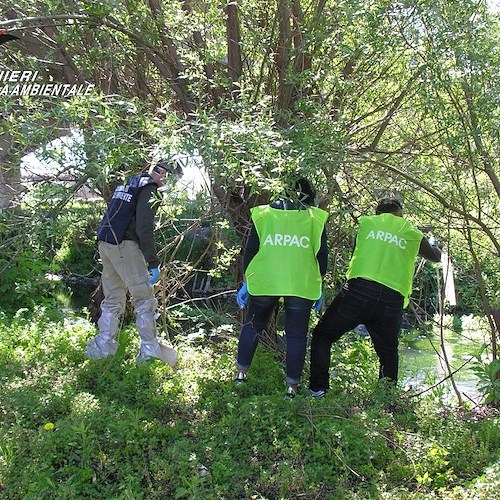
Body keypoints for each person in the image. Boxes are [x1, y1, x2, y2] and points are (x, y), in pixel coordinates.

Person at [309, 197, 442, 397]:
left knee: (323, 334)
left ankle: (318, 389)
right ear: (400, 213)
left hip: (358, 291)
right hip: (391, 299)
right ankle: (385, 397)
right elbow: (436, 256)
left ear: (377, 212)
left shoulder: (365, 223)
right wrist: (434, 244)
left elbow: (358, 249)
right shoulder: (412, 232)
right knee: (388, 352)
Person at [235, 178, 329, 398]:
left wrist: (247, 282)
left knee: (252, 326)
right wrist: (319, 282)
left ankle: (240, 377)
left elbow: (250, 251)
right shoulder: (315, 218)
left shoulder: (264, 214)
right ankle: (291, 389)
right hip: (301, 283)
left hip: (265, 280)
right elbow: (321, 255)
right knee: (296, 336)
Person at [85, 159, 181, 366]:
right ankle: (149, 354)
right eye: (166, 175)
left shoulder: (131, 182)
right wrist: (153, 263)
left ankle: (102, 348)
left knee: (113, 296)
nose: (164, 178)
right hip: (124, 245)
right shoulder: (150, 189)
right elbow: (144, 228)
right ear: (165, 175)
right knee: (144, 299)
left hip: (106, 241)